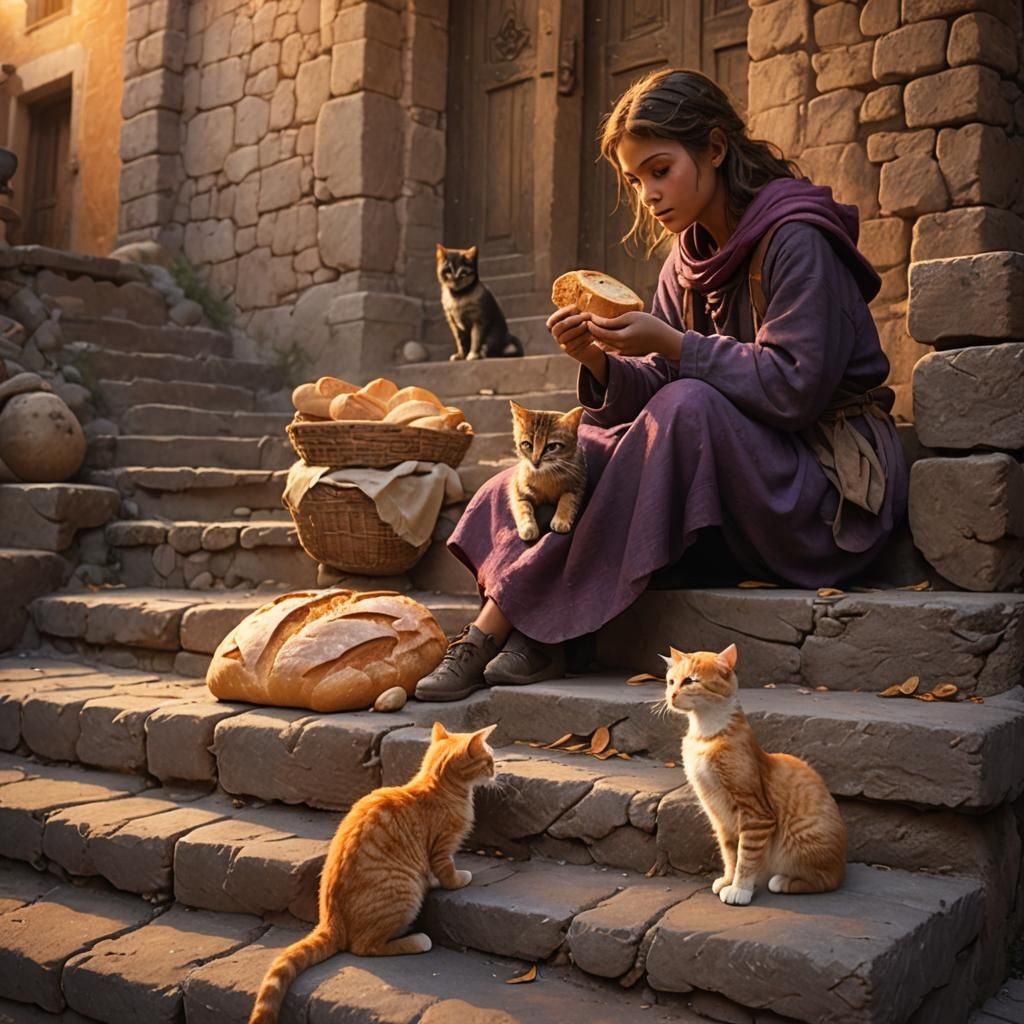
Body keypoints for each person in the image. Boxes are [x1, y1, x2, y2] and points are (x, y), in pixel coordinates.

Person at [415, 68, 907, 703]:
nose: (647, 193)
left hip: (822, 494)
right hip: (728, 494)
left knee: (688, 404)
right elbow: (653, 385)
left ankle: (519, 629)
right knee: (582, 442)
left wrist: (673, 344)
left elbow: (794, 390)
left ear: (715, 148)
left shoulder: (798, 240)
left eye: (660, 169)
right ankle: (531, 630)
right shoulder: (687, 255)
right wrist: (600, 362)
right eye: (633, 179)